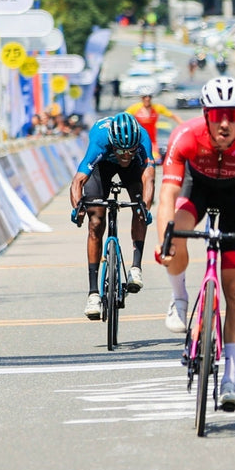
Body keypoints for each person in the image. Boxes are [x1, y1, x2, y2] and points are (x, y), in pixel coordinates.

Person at [155, 76, 235, 411]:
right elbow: (168, 194)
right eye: (218, 114)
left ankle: (230, 379)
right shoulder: (186, 136)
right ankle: (179, 297)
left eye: (233, 115)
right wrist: (165, 237)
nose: (225, 123)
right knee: (175, 238)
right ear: (206, 114)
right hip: (198, 190)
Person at [69, 112, 155, 319]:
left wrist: (145, 206)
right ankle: (93, 294)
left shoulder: (142, 139)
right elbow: (78, 181)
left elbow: (149, 179)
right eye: (121, 152)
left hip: (133, 170)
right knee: (96, 222)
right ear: (113, 144)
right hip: (103, 167)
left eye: (130, 151)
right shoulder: (100, 138)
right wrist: (78, 207)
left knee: (140, 208)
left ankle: (136, 267)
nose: (125, 156)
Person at [125, 92, 184, 160]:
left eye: (149, 97)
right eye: (144, 97)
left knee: (156, 158)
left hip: (152, 139)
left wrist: (183, 125)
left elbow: (172, 116)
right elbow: (124, 117)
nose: (147, 99)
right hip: (140, 137)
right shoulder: (135, 108)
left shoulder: (157, 107)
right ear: (141, 98)